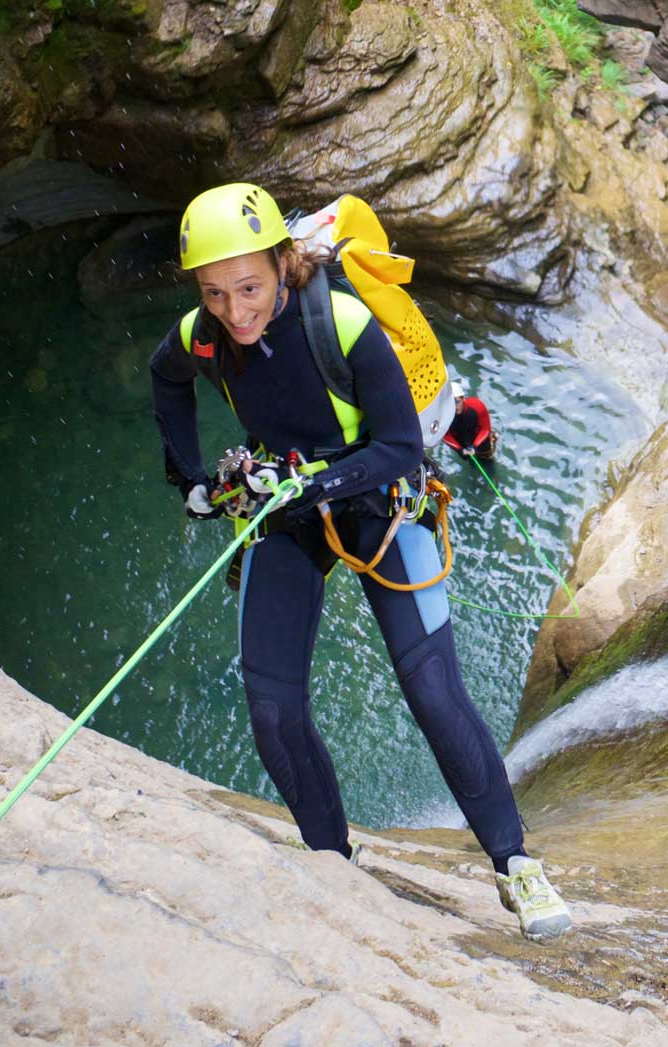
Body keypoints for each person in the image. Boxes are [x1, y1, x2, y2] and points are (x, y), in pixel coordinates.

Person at [147, 182, 573, 940]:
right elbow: (166, 376)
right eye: (214, 293)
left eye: (248, 287)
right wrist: (192, 482)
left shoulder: (341, 324)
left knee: (433, 691)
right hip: (290, 509)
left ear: (283, 264)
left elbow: (400, 447)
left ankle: (515, 865)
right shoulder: (203, 334)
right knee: (272, 711)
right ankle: (332, 865)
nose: (235, 311)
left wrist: (316, 482)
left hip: (378, 501)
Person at [442, 383, 498, 460]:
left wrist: (475, 446)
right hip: (462, 445)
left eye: (457, 402)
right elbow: (444, 435)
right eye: (451, 403)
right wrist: (459, 449)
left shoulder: (477, 406)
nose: (455, 407)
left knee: (488, 459)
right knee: (470, 461)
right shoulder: (444, 415)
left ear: (463, 399)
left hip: (480, 441)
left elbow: (485, 429)